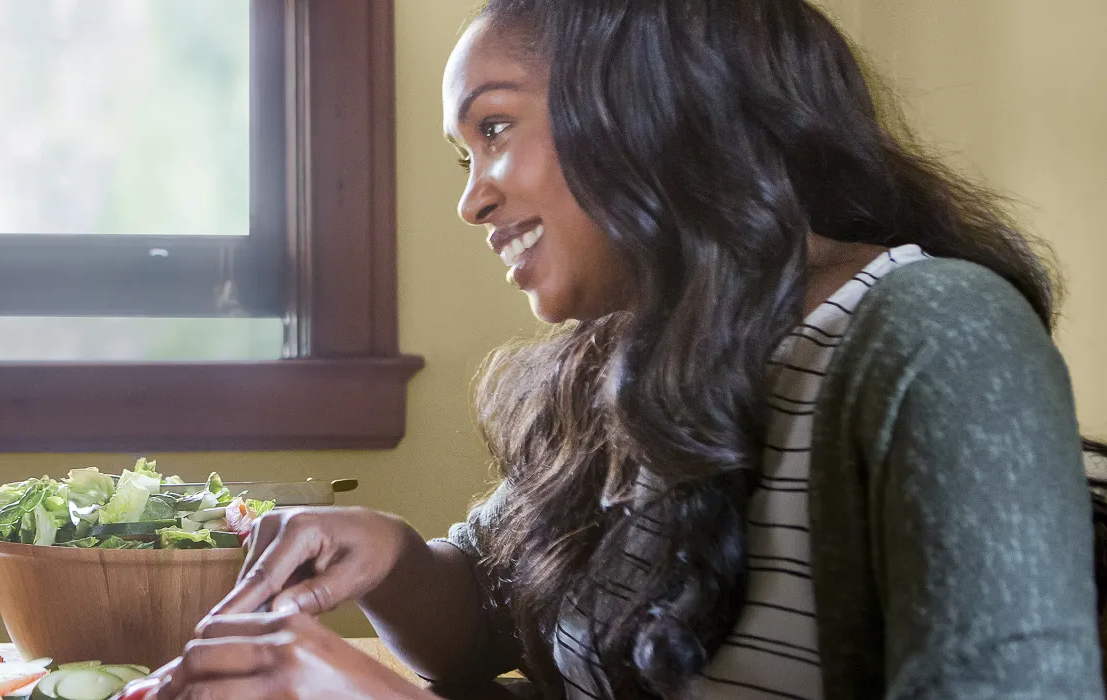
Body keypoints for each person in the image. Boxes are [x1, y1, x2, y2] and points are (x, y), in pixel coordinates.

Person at [141, 0, 1106, 698]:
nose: (471, 198)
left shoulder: (937, 335)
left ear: (654, 106)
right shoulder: (625, 362)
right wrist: (392, 558)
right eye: (465, 153)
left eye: (494, 127)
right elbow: (493, 623)